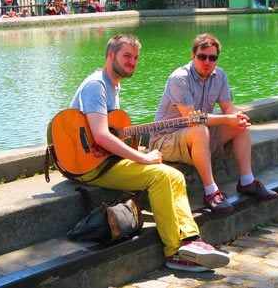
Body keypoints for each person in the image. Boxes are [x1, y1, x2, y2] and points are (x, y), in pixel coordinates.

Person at [69, 34, 230, 272]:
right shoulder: (97, 85)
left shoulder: (112, 85)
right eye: (127, 56)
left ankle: (190, 240)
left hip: (103, 159)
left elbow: (108, 133)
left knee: (174, 176)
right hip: (89, 165)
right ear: (110, 55)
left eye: (135, 58)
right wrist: (142, 157)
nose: (132, 62)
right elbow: (102, 135)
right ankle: (174, 252)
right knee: (161, 175)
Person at [150, 33, 278, 214]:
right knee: (200, 128)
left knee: (239, 126)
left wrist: (236, 116)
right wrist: (227, 119)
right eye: (202, 57)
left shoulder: (220, 76)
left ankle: (247, 181)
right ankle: (211, 192)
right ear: (193, 56)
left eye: (212, 58)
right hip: (166, 140)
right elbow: (192, 119)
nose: (207, 62)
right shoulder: (179, 78)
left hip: (197, 137)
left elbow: (228, 107)